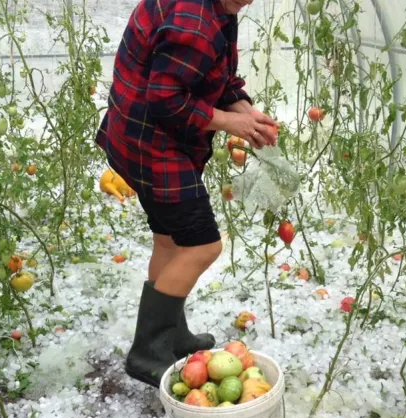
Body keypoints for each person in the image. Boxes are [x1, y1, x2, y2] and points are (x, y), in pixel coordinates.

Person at [95, 0, 279, 388]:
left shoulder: (216, 10)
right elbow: (166, 99)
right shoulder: (194, 21)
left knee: (170, 242)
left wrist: (247, 113)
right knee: (201, 245)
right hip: (152, 144)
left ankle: (172, 337)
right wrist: (232, 122)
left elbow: (216, 77)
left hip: (135, 136)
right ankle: (147, 353)